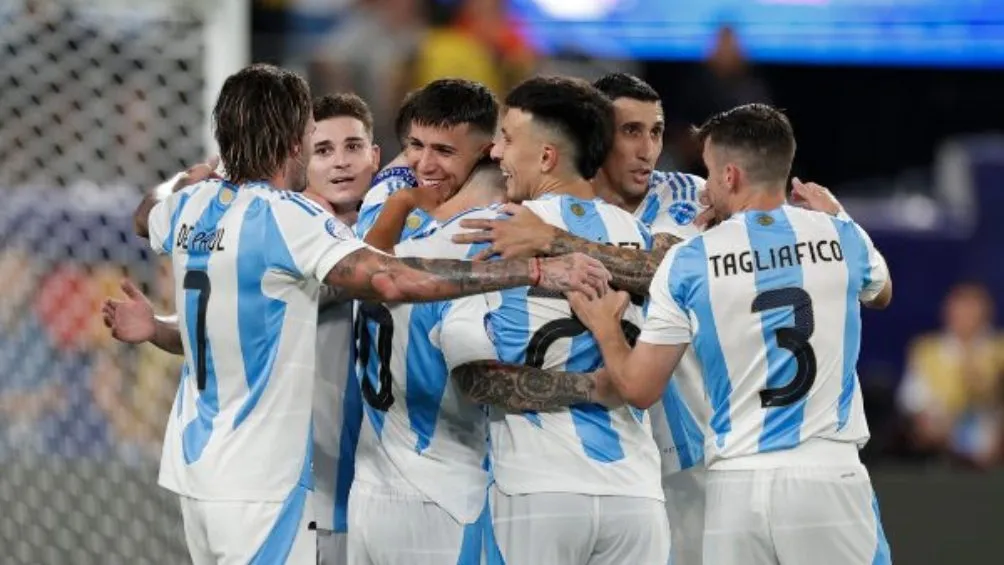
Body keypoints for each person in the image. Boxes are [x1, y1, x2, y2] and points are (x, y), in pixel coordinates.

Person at [119, 63, 610, 565]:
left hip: (195, 473)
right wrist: (532, 271)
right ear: (294, 141)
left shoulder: (193, 204)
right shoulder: (289, 218)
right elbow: (390, 278)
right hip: (261, 482)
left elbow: (144, 216)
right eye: (314, 136)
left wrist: (189, 175)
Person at [568, 103, 894, 565]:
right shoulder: (842, 238)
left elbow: (639, 388)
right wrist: (840, 216)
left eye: (710, 173)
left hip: (734, 489)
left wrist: (606, 328)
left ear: (731, 177)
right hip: (827, 477)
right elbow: (882, 293)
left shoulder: (689, 261)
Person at [453, 71, 710, 563]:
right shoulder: (644, 240)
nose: (496, 152)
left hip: (535, 491)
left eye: (507, 138)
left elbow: (474, 377)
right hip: (637, 493)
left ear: (547, 156)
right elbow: (676, 274)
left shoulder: (496, 233)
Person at [348, 162, 507, 565]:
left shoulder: (383, 250)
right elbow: (477, 376)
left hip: (368, 492)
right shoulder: (469, 263)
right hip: (444, 498)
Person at [301, 93, 379, 565]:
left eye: (353, 147)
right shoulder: (285, 241)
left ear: (376, 155)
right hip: (314, 497)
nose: (341, 163)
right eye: (323, 150)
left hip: (400, 497)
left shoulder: (418, 238)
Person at [355, 78, 497, 248]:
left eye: (444, 151)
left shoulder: (491, 227)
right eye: (417, 145)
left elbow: (373, 270)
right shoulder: (388, 191)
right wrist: (402, 199)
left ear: (486, 152)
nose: (424, 166)